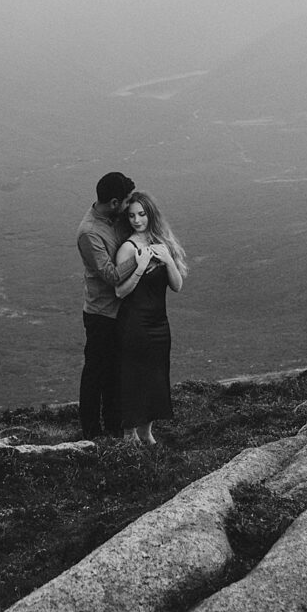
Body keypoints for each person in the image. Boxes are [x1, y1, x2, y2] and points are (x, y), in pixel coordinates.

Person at [112, 189, 187, 446]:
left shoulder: (162, 244)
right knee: (134, 378)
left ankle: (146, 433)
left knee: (156, 377)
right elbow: (119, 291)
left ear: (150, 215)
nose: (137, 220)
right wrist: (140, 268)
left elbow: (176, 286)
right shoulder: (127, 248)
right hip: (134, 324)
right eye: (132, 215)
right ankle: (128, 435)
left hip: (159, 324)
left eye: (142, 214)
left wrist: (167, 260)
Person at [75, 171, 140, 438]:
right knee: (95, 374)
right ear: (114, 202)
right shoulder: (89, 233)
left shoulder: (115, 217)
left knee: (115, 371)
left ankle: (113, 427)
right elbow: (111, 275)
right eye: (125, 202)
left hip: (120, 310)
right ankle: (91, 432)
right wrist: (140, 257)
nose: (128, 207)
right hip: (101, 314)